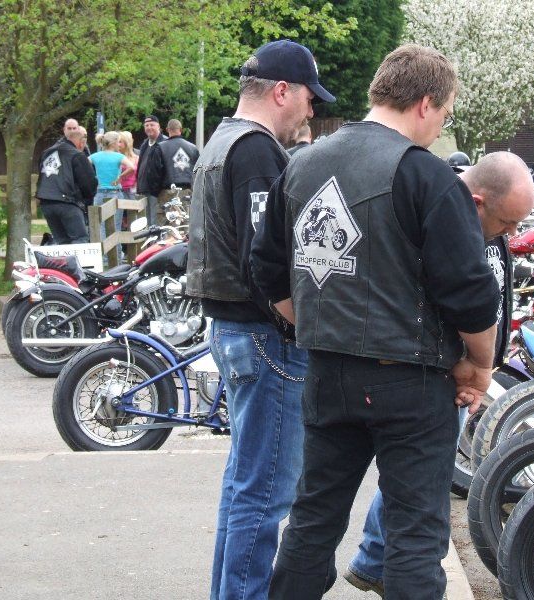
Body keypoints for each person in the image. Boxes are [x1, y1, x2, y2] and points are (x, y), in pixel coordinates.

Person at [251, 43, 501, 600]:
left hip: (327, 373)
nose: (440, 127)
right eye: (444, 114)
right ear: (426, 103)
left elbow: (265, 270)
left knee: (313, 520)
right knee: (415, 534)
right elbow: (470, 291)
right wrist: (479, 365)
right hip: (411, 380)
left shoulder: (300, 165)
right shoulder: (427, 176)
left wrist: (311, 325)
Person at [343, 152, 534, 597]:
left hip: (466, 367)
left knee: (420, 477)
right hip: (446, 371)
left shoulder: (481, 221)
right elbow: (443, 297)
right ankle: (380, 562)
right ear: (479, 202)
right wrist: (467, 363)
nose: (512, 233)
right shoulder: (443, 215)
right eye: (507, 223)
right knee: (419, 485)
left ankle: (374, 558)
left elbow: (490, 289)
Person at [185, 39, 335, 600]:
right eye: (310, 98)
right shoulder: (255, 151)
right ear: (282, 91)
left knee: (245, 487)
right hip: (264, 337)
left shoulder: (222, 141)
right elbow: (263, 261)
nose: (311, 110)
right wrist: (298, 323)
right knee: (266, 492)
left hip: (235, 331)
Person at [36, 129, 97, 244]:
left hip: (46, 202)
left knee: (62, 242)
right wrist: (86, 200)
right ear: (81, 142)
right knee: (80, 239)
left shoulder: (46, 153)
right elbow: (89, 184)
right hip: (67, 202)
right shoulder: (77, 154)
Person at [89, 131, 136, 250]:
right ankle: (116, 254)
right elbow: (132, 167)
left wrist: (93, 178)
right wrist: (120, 177)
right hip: (115, 193)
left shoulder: (95, 156)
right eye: (118, 141)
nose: (119, 144)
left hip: (99, 193)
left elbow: (83, 165)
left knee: (101, 226)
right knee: (115, 226)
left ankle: (103, 254)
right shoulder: (119, 156)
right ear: (114, 143)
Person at [146, 119, 200, 220]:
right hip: (187, 193)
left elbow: (153, 173)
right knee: (186, 223)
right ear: (181, 129)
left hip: (166, 192)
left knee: (166, 224)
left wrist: (155, 192)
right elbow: (198, 172)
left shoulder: (160, 148)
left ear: (167, 130)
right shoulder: (193, 148)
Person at [136, 115, 168, 224]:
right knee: (146, 222)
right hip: (144, 189)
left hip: (157, 191)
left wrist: (158, 186)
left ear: (158, 126)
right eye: (146, 125)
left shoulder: (164, 143)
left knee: (156, 222)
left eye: (152, 125)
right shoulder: (144, 144)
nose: (149, 127)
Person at [117, 131, 139, 199]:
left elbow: (140, 176)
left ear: (127, 143)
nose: (118, 144)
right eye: (117, 142)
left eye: (120, 142)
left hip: (133, 192)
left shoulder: (137, 158)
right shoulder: (115, 157)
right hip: (118, 192)